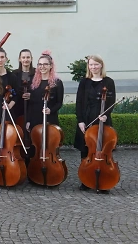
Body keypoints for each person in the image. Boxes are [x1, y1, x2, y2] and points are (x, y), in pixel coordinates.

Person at [74, 54, 116, 189]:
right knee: (86, 150)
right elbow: (79, 102)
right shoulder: (84, 82)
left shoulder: (108, 82)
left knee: (103, 150)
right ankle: (86, 180)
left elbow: (111, 101)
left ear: (101, 65)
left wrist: (106, 115)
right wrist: (80, 120)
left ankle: (104, 179)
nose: (93, 67)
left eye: (96, 64)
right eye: (91, 65)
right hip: (86, 119)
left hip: (102, 119)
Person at [25, 52, 64, 136]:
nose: (42, 67)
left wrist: (51, 110)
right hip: (35, 118)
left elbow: (59, 103)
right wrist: (28, 120)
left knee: (51, 143)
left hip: (50, 118)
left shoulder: (57, 83)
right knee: (35, 145)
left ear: (51, 66)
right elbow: (30, 104)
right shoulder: (33, 82)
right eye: (40, 64)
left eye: (45, 64)